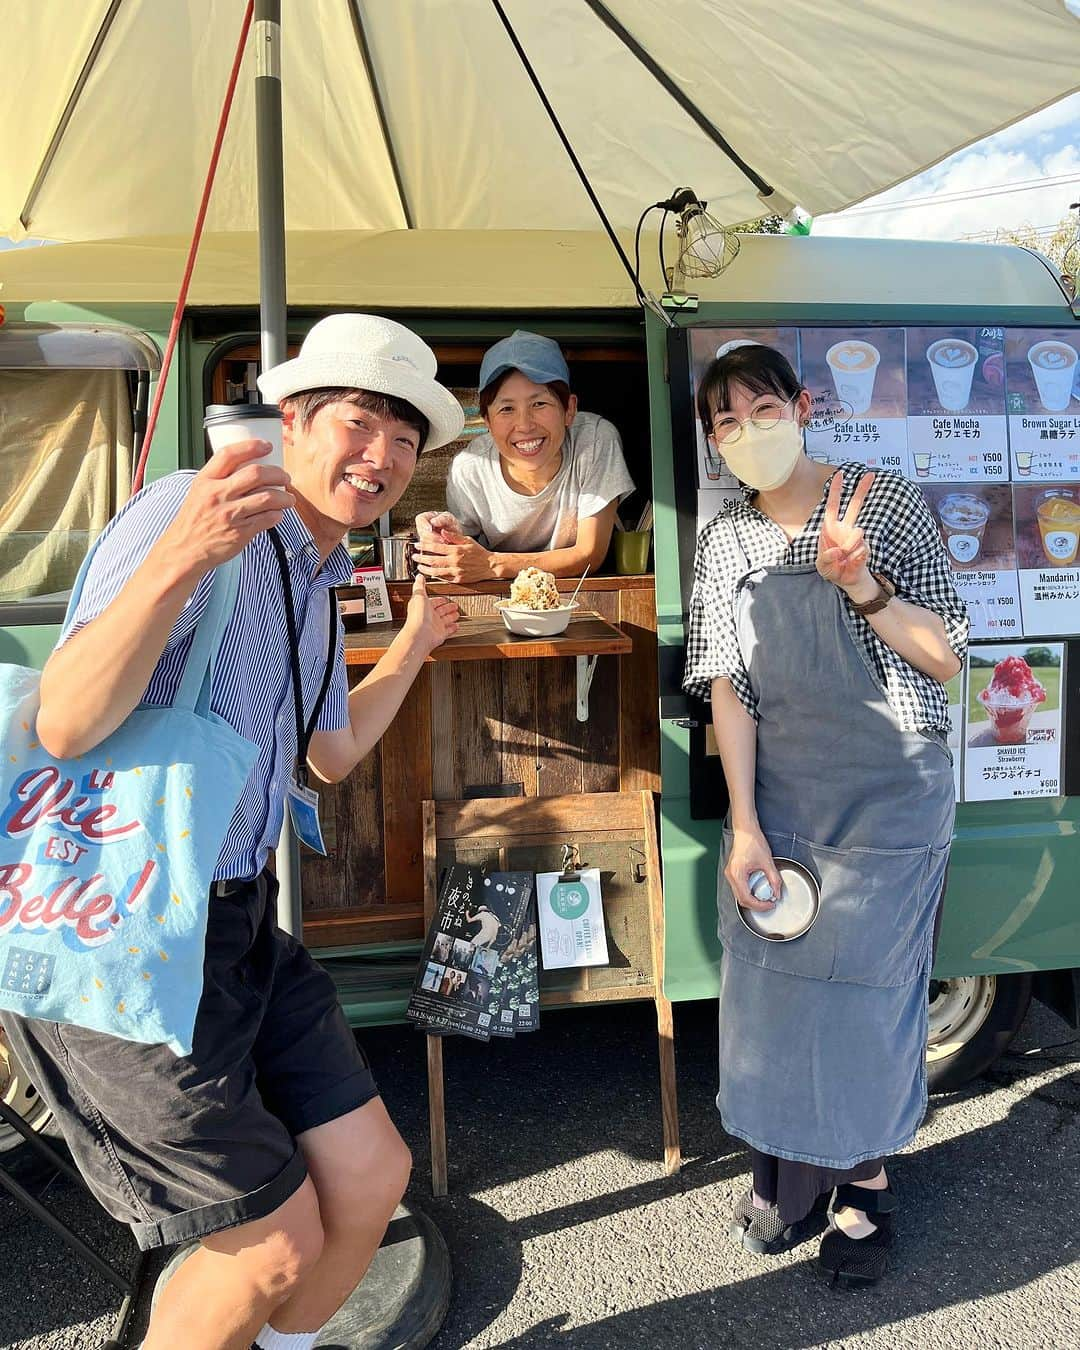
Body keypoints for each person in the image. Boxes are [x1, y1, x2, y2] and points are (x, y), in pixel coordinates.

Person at [0, 314, 465, 1350]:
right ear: (293, 420)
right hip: (122, 926)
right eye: (360, 420)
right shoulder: (191, 510)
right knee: (269, 1248)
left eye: (405, 436)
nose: (382, 455)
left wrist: (420, 639)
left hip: (239, 922)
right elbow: (68, 720)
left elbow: (329, 757)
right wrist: (186, 554)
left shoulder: (315, 576)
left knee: (374, 1175)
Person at [683, 340, 968, 1286]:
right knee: (769, 993)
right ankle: (786, 1179)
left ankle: (865, 1188)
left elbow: (944, 656)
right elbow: (726, 685)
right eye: (724, 422)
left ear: (801, 406)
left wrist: (861, 584)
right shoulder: (724, 538)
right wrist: (746, 824)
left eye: (760, 410)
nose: (744, 433)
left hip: (890, 794)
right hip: (783, 795)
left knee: (867, 1001)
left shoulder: (877, 502)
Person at [414, 330, 634, 580]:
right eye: (507, 409)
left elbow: (589, 553)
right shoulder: (470, 468)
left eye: (539, 404)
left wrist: (493, 564)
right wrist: (445, 538)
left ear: (569, 410)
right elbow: (465, 555)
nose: (525, 425)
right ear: (487, 420)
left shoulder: (594, 440)